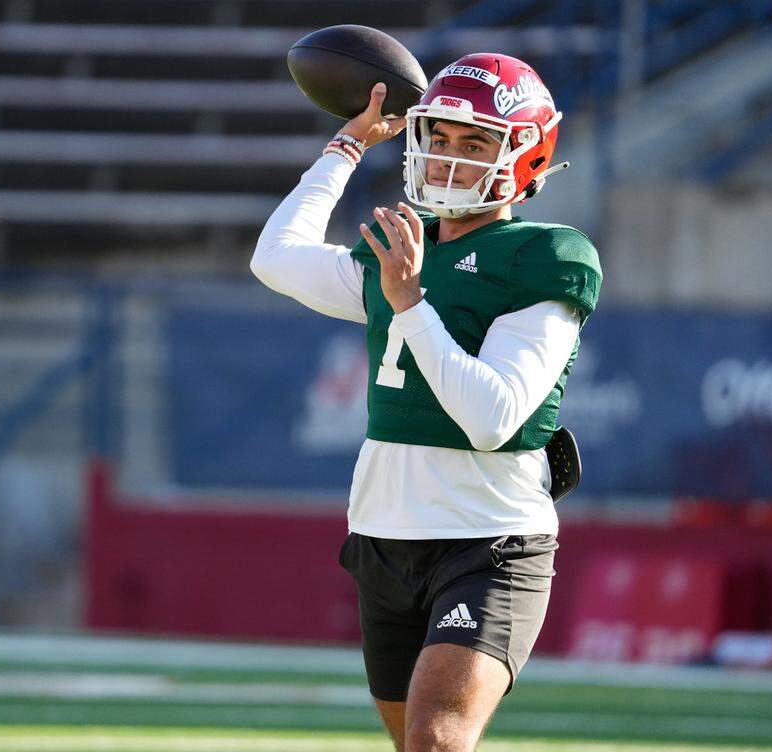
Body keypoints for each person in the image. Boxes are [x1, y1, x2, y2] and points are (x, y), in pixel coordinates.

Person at [250, 53, 602, 752]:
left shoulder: (547, 255)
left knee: (437, 739)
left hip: (490, 538)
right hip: (384, 534)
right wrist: (346, 148)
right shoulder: (400, 249)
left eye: (475, 144)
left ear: (525, 155)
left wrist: (409, 301)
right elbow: (276, 258)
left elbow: (494, 417)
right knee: (416, 745)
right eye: (438, 138)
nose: (449, 159)